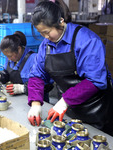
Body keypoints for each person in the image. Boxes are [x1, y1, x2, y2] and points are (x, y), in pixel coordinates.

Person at [27, 0, 113, 136]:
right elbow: (37, 75)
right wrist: (36, 103)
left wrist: (65, 101)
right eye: (41, 33)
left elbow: (95, 81)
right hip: (70, 108)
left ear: (61, 21)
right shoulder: (46, 45)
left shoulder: (87, 41)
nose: (46, 37)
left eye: (47, 32)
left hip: (97, 110)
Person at [0, 31, 37, 95]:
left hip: (36, 98)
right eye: (7, 56)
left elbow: (44, 84)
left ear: (19, 49)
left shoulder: (34, 59)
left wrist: (23, 88)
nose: (9, 59)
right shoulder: (10, 56)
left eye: (10, 56)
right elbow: (7, 73)